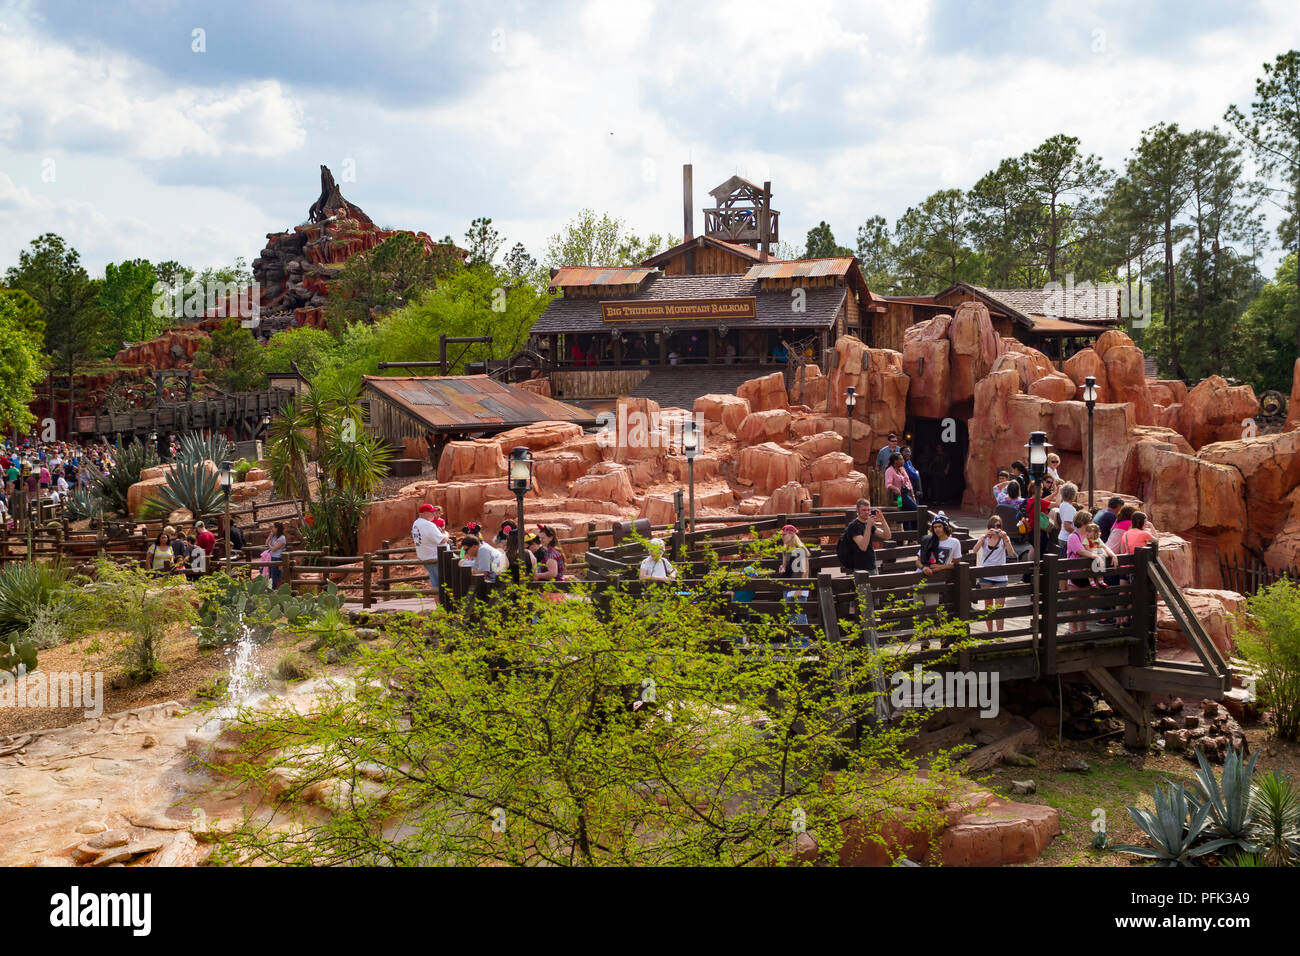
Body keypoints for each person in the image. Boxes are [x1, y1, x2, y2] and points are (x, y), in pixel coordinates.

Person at [974, 515, 1014, 632]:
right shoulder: (984, 538)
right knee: (988, 606)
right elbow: (975, 550)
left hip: (1001, 576)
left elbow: (1011, 553)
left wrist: (1006, 539)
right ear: (989, 527)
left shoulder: (1004, 538)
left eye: (998, 526)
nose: (996, 528)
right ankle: (990, 632)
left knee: (1000, 607)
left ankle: (1000, 633)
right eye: (993, 526)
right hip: (986, 575)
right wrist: (983, 538)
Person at [840, 498, 893, 574]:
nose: (867, 512)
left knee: (876, 586)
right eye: (864, 510)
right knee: (864, 586)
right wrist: (868, 526)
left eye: (868, 510)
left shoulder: (869, 524)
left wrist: (882, 519)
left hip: (872, 564)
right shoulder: (853, 526)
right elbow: (863, 547)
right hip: (859, 568)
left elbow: (887, 536)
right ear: (857, 510)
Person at [411, 503, 446, 595]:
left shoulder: (416, 523)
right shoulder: (427, 525)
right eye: (432, 512)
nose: (434, 514)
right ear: (425, 513)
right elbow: (442, 540)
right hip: (435, 557)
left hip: (427, 557)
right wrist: (446, 534)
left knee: (436, 583)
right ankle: (446, 607)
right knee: (445, 583)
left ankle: (440, 607)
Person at [1056, 482, 1079, 558]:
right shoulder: (1069, 508)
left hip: (1063, 537)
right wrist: (1079, 533)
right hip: (1067, 538)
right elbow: (1067, 526)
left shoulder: (1063, 504)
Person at [266, 522, 288, 588]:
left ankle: (275, 589)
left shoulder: (282, 538)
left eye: (273, 527)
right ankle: (273, 588)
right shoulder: (274, 536)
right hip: (272, 557)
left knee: (275, 575)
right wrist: (270, 536)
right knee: (271, 575)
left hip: (278, 558)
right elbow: (266, 543)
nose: (272, 529)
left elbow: (274, 549)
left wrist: (269, 545)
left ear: (277, 528)